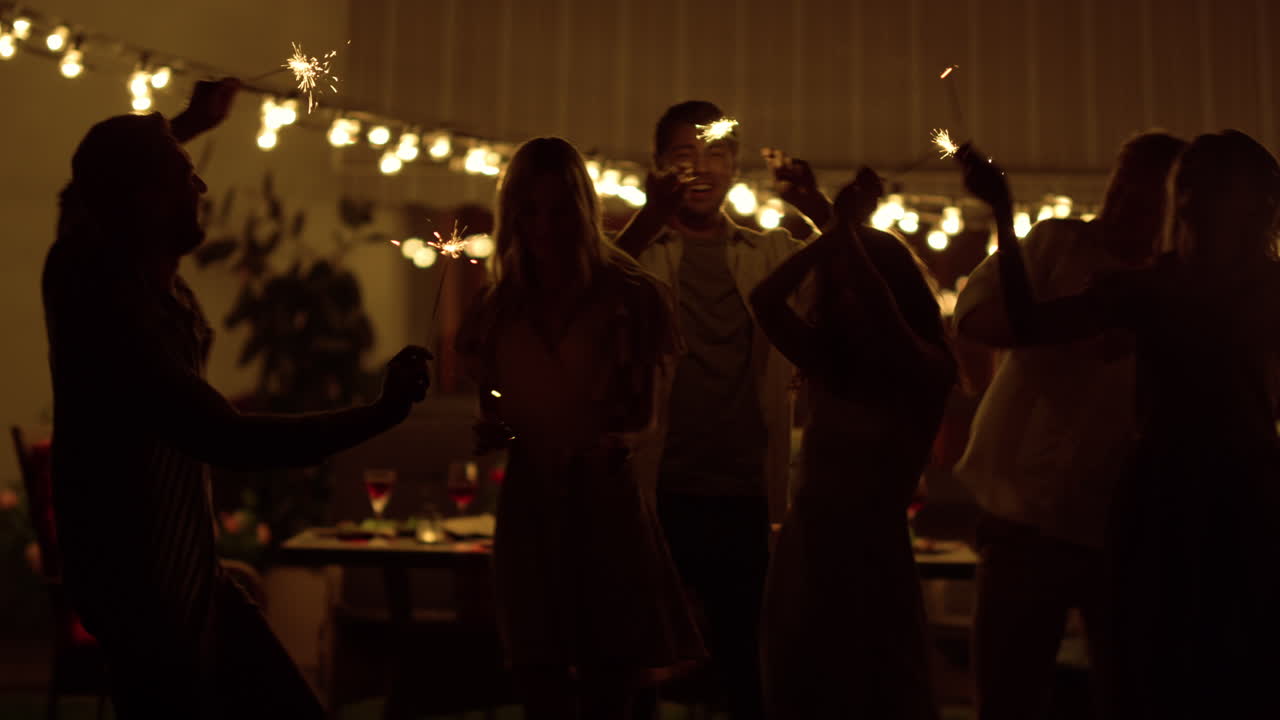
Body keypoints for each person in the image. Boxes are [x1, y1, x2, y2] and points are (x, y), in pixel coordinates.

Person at [43, 80, 432, 718]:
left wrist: (191, 122)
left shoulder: (148, 286)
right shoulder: (98, 297)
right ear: (141, 199)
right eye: (183, 175)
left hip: (192, 573)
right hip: (140, 590)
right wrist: (379, 413)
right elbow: (225, 437)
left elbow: (83, 192)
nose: (200, 189)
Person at [958, 132, 1280, 720]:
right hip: (1234, 496)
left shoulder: (1155, 287)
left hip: (1159, 499)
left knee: (1145, 678)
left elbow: (1027, 322)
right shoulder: (1235, 287)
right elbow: (1007, 322)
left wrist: (1003, 213)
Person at [457, 136, 704, 720]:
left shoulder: (631, 299)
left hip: (602, 502)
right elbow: (495, 400)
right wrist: (499, 428)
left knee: (609, 682)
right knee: (536, 675)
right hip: (530, 503)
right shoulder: (499, 307)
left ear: (581, 208)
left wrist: (610, 435)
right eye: (530, 210)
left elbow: (647, 413)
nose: (543, 225)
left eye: (558, 208)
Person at [953, 132, 1186, 719]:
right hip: (1025, 512)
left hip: (1127, 520)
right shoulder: (1060, 241)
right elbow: (977, 317)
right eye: (1121, 179)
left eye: (1145, 187)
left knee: (1129, 693)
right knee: (1009, 694)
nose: (1125, 196)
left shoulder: (1178, 281)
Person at [614, 100, 827, 719]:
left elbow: (856, 275)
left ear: (735, 165)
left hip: (744, 492)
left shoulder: (770, 253)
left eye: (714, 154)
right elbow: (586, 289)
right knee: (639, 666)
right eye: (683, 156)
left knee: (746, 669)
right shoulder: (637, 253)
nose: (701, 169)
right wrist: (649, 218)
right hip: (653, 490)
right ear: (657, 167)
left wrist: (818, 207)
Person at [751, 169, 954, 719]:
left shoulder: (926, 367)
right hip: (806, 557)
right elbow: (765, 299)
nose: (844, 299)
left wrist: (841, 230)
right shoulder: (830, 361)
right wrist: (833, 235)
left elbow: (886, 317)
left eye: (854, 286)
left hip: (869, 563)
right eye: (834, 289)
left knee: (872, 694)